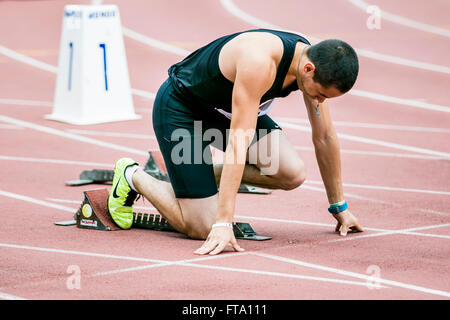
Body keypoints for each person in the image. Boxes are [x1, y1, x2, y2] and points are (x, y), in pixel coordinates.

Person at [107, 28, 364, 256]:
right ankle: (132, 176)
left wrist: (338, 206)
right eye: (320, 94)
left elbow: (325, 136)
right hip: (182, 111)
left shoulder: (313, 61)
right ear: (309, 69)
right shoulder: (259, 62)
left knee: (292, 173)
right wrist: (223, 224)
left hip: (224, 113)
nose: (319, 101)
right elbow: (239, 142)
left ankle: (200, 181)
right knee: (201, 226)